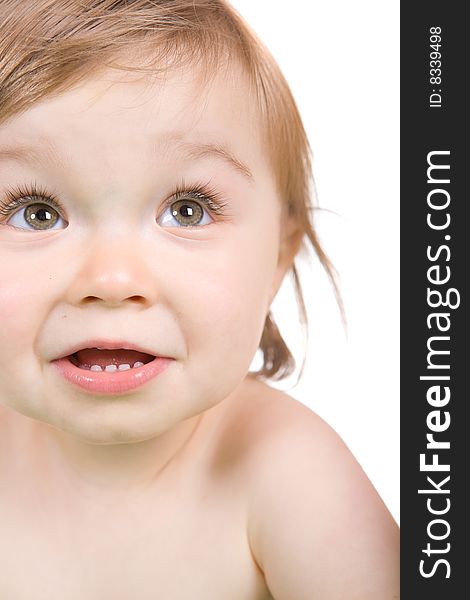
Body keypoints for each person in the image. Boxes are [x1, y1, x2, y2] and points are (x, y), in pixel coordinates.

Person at [0, 0, 399, 597]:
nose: (110, 280)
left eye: (187, 210)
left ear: (279, 258)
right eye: (37, 213)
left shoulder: (291, 480)